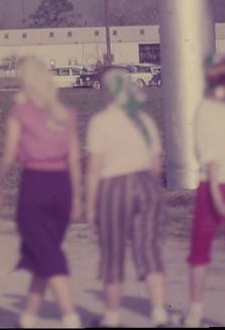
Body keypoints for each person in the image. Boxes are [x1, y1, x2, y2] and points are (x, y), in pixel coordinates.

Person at [0, 56, 82, 329]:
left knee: (48, 253)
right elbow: (75, 159)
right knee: (43, 251)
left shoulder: (20, 114)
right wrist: (77, 196)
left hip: (36, 185)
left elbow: (8, 155)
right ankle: (28, 319)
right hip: (62, 187)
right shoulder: (67, 114)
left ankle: (70, 317)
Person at [85, 67, 169, 328]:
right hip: (146, 185)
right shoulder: (144, 120)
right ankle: (159, 314)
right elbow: (156, 164)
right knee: (149, 251)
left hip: (115, 189)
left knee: (113, 252)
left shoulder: (101, 122)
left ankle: (111, 318)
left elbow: (94, 169)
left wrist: (91, 207)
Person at [183, 53, 225, 328]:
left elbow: (213, 155)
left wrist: (217, 196)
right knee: (213, 248)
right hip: (222, 187)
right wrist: (218, 195)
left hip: (220, 188)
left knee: (202, 250)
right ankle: (194, 314)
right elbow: (214, 156)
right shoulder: (223, 107)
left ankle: (194, 313)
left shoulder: (219, 107)